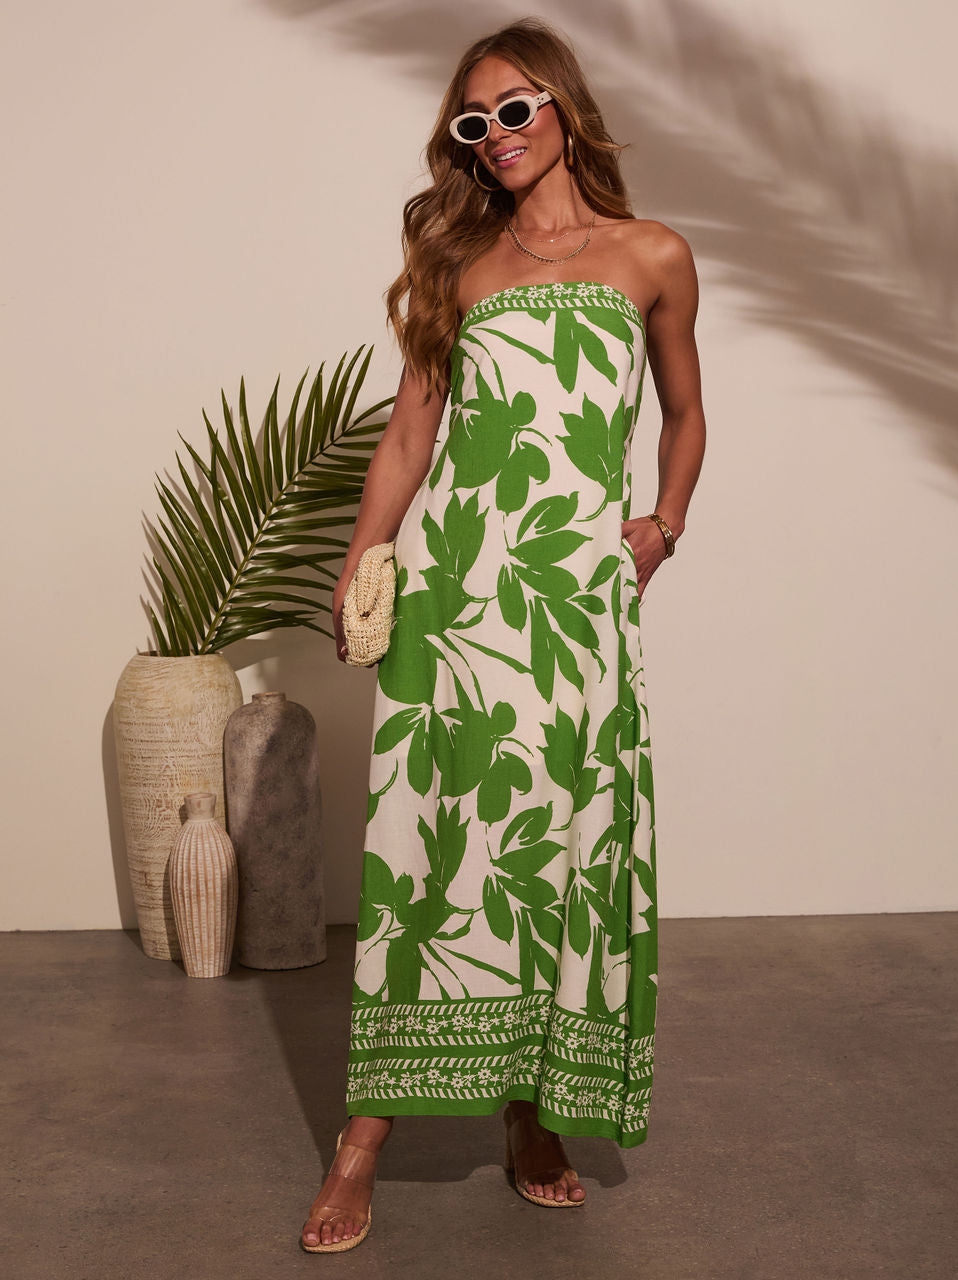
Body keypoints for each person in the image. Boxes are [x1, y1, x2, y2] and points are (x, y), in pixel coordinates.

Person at [302, 15, 706, 1253]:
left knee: (555, 847)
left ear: (564, 107)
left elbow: (685, 411)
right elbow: (409, 435)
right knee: (433, 850)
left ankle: (533, 1116)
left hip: (572, 605)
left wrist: (662, 525)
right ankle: (361, 1140)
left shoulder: (651, 255)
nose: (496, 135)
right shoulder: (459, 268)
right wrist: (364, 555)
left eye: (514, 108)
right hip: (456, 597)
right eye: (473, 123)